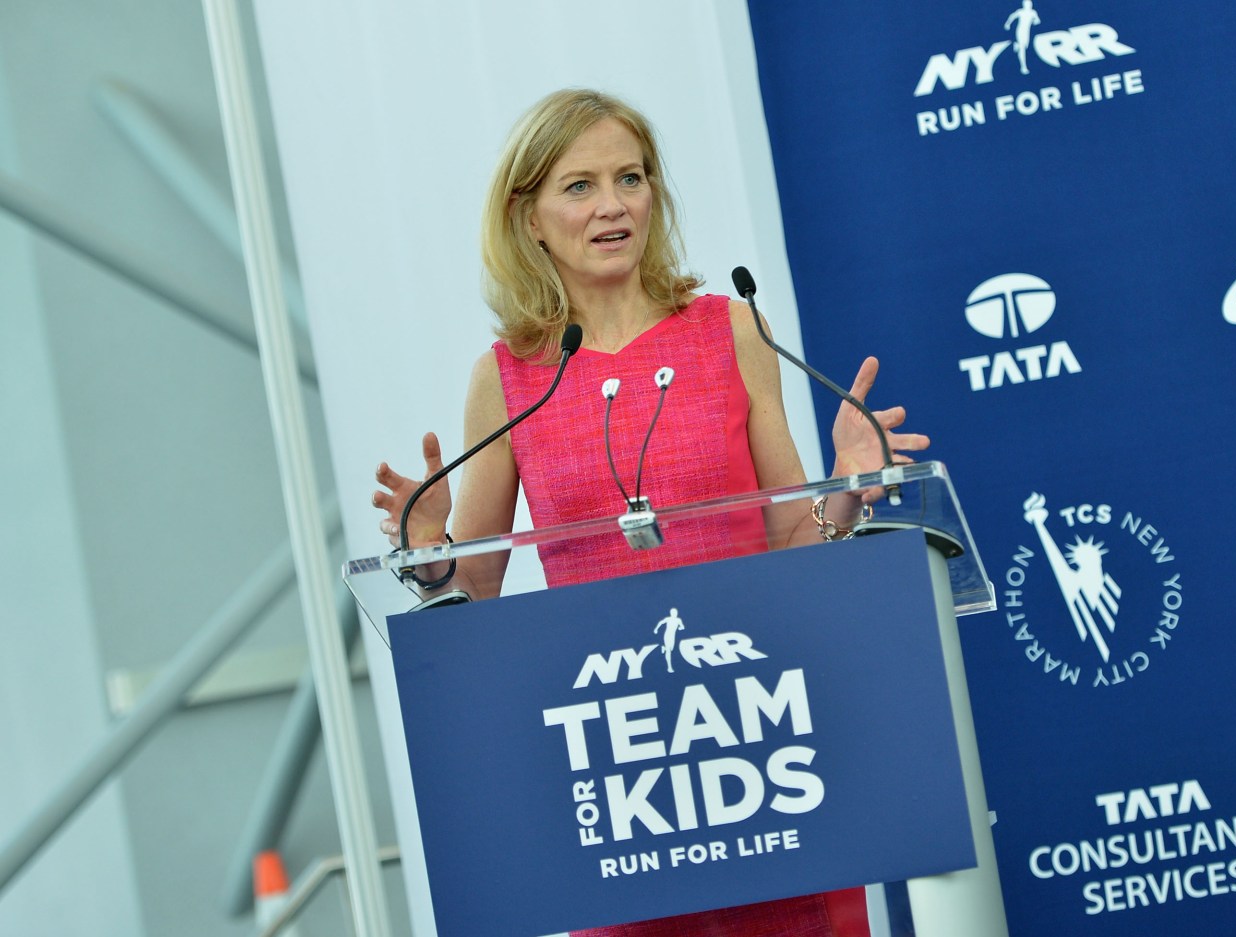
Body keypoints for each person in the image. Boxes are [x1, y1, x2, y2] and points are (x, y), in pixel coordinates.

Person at [372, 88, 928, 937]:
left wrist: (846, 487)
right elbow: (476, 590)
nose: (614, 205)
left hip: (761, 735)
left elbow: (791, 536)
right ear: (528, 218)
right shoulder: (510, 376)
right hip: (617, 767)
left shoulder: (731, 330)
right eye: (581, 186)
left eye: (630, 178)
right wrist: (430, 552)